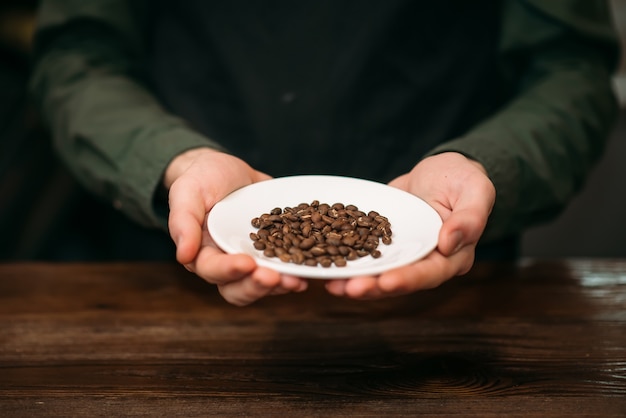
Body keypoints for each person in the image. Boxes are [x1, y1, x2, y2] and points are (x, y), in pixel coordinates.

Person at [30, 0, 619, 306]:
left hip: (451, 302)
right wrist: (172, 159)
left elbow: (571, 68)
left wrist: (490, 161)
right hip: (171, 287)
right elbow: (77, 56)